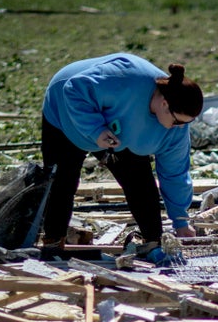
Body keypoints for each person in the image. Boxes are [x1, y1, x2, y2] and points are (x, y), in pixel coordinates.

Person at [39, 53, 203, 261]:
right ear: (164, 104)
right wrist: (96, 130)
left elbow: (175, 174)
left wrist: (180, 221)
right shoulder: (125, 78)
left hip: (118, 130)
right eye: (177, 121)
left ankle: (153, 242)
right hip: (67, 110)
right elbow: (74, 88)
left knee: (139, 179)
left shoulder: (175, 130)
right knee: (63, 180)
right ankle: (53, 245)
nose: (179, 128)